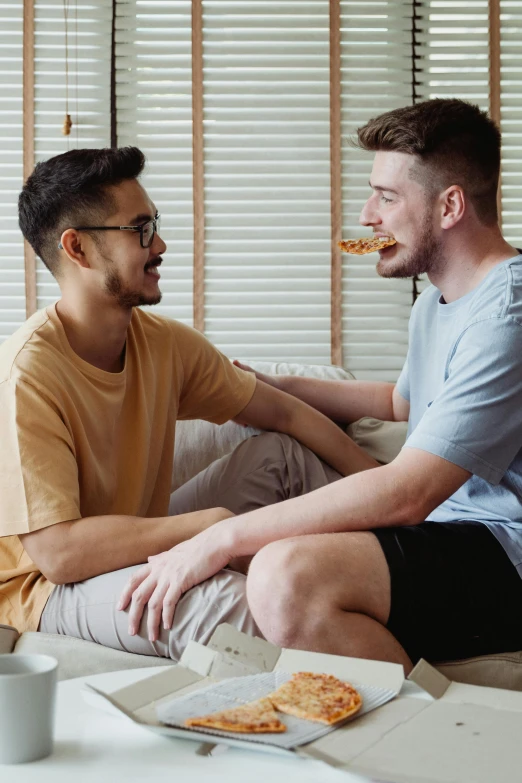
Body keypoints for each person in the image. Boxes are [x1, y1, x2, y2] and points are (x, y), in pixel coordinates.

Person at [119, 98, 522, 674]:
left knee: (284, 577)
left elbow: (411, 491)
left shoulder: (507, 313)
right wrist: (274, 384)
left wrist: (221, 539)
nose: (366, 215)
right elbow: (400, 403)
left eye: (386, 196)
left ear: (450, 204)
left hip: (503, 552)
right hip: (445, 528)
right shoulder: (436, 302)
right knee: (270, 465)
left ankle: (434, 728)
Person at [0, 147, 377, 660]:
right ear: (79, 249)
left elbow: (283, 413)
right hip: (44, 586)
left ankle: (399, 572)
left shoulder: (166, 344)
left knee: (278, 456)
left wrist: (390, 490)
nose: (160, 244)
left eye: (153, 224)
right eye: (139, 230)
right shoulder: (26, 374)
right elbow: (60, 554)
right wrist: (210, 528)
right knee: (223, 604)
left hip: (131, 538)